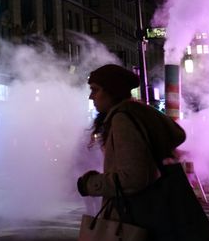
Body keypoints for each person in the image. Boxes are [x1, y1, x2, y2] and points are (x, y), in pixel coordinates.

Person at [76, 64, 186, 198]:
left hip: (133, 213)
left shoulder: (122, 120)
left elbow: (132, 179)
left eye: (95, 90)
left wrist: (90, 184)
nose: (91, 97)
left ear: (112, 91)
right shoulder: (136, 113)